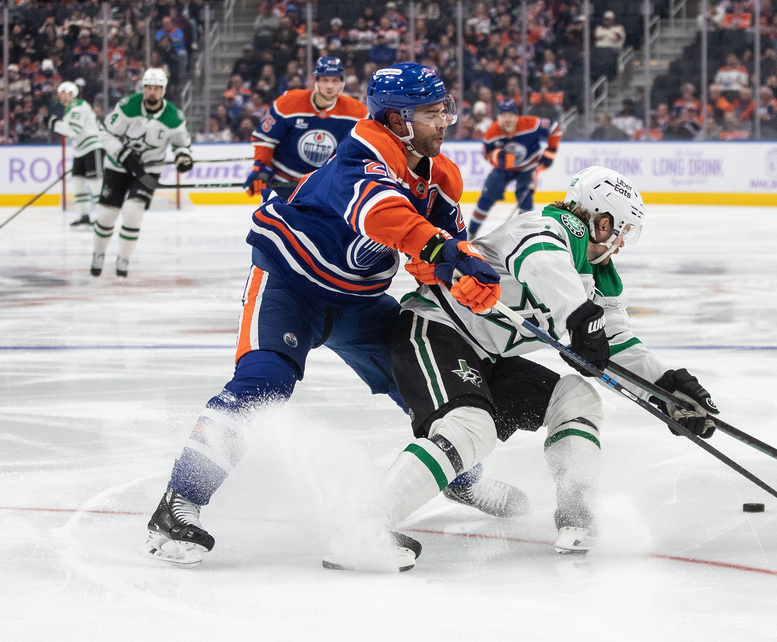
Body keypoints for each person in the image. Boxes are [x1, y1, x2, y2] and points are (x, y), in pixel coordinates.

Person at [142, 62, 519, 569]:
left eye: (444, 109)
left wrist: (457, 273)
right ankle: (178, 503)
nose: (445, 121)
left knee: (427, 383)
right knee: (263, 383)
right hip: (291, 284)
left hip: (360, 300)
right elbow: (384, 215)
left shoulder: (442, 175)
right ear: (398, 119)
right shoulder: (359, 153)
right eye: (432, 113)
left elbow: (434, 254)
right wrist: (442, 251)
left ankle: (457, 476)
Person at [339, 167, 719, 571]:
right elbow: (540, 261)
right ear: (602, 221)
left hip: (486, 357)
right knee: (470, 427)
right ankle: (362, 530)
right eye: (622, 230)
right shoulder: (547, 228)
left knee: (576, 398)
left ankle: (577, 515)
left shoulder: (600, 278)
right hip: (435, 330)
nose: (623, 243)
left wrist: (665, 389)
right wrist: (578, 316)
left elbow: (615, 341)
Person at [92, 67, 193, 278]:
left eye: (157, 88)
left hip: (148, 170)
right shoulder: (128, 107)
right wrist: (123, 154)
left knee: (133, 211)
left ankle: (123, 260)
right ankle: (99, 254)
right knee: (107, 215)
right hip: (118, 167)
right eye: (149, 88)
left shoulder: (173, 117)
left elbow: (182, 145)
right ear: (144, 88)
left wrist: (183, 157)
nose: (152, 92)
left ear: (163, 90)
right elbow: (104, 134)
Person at [244, 56, 368, 201]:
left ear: (342, 83)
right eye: (325, 80)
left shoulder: (358, 112)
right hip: (283, 183)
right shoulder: (288, 103)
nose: (329, 86)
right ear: (315, 81)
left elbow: (363, 149)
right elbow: (265, 139)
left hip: (325, 187)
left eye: (335, 80)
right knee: (270, 223)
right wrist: (261, 167)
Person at [467, 99, 561, 239]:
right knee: (486, 198)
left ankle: (525, 235)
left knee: (525, 199)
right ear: (499, 117)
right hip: (504, 169)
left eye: (511, 115)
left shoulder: (531, 124)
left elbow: (554, 128)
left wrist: (549, 153)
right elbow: (486, 153)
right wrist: (498, 157)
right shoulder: (492, 132)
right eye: (504, 115)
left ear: (517, 116)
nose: (508, 118)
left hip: (528, 167)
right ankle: (471, 233)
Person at [47, 80, 103, 228]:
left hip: (92, 147)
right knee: (78, 183)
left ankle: (103, 217)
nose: (59, 96)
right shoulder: (70, 109)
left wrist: (54, 124)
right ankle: (84, 215)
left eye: (62, 93)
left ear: (71, 93)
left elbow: (73, 130)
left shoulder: (78, 106)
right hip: (80, 150)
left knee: (95, 183)